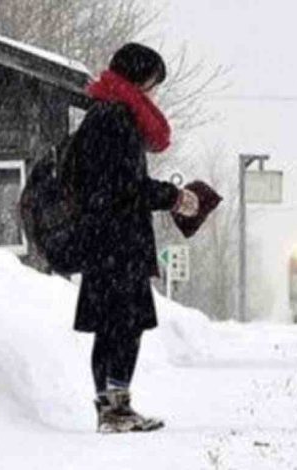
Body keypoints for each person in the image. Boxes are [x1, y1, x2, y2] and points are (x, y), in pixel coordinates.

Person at [71, 43, 198, 433]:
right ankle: (116, 409)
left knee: (111, 326)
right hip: (118, 242)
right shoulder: (118, 119)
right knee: (124, 325)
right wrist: (175, 197)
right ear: (139, 79)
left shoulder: (100, 114)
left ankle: (110, 408)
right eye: (152, 84)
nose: (153, 93)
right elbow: (128, 187)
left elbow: (107, 184)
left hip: (101, 241)